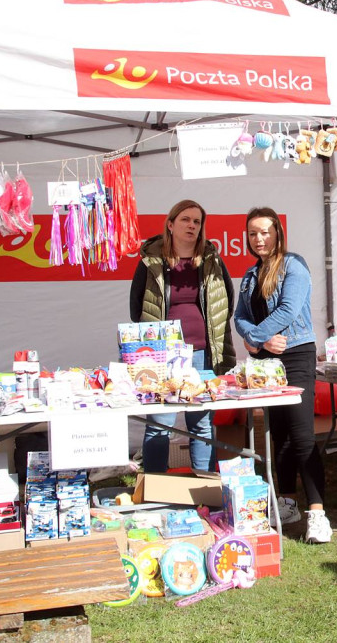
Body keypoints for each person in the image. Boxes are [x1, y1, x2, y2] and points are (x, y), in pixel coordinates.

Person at [233, 207, 330, 543]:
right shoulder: (248, 276)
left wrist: (256, 337)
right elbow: (239, 318)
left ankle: (317, 513)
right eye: (252, 234)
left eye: (265, 231)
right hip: (265, 362)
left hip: (296, 355)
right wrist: (257, 338)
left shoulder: (294, 265)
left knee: (302, 434)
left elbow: (289, 309)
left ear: (277, 233)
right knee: (279, 434)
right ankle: (287, 502)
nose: (259, 239)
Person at [130, 199, 236, 473]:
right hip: (162, 355)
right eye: (185, 219)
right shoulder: (150, 262)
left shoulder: (212, 260)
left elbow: (227, 302)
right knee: (159, 423)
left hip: (202, 353)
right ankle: (155, 490)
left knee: (201, 422)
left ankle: (206, 486)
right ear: (170, 224)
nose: (192, 225)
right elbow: (136, 308)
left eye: (197, 221)